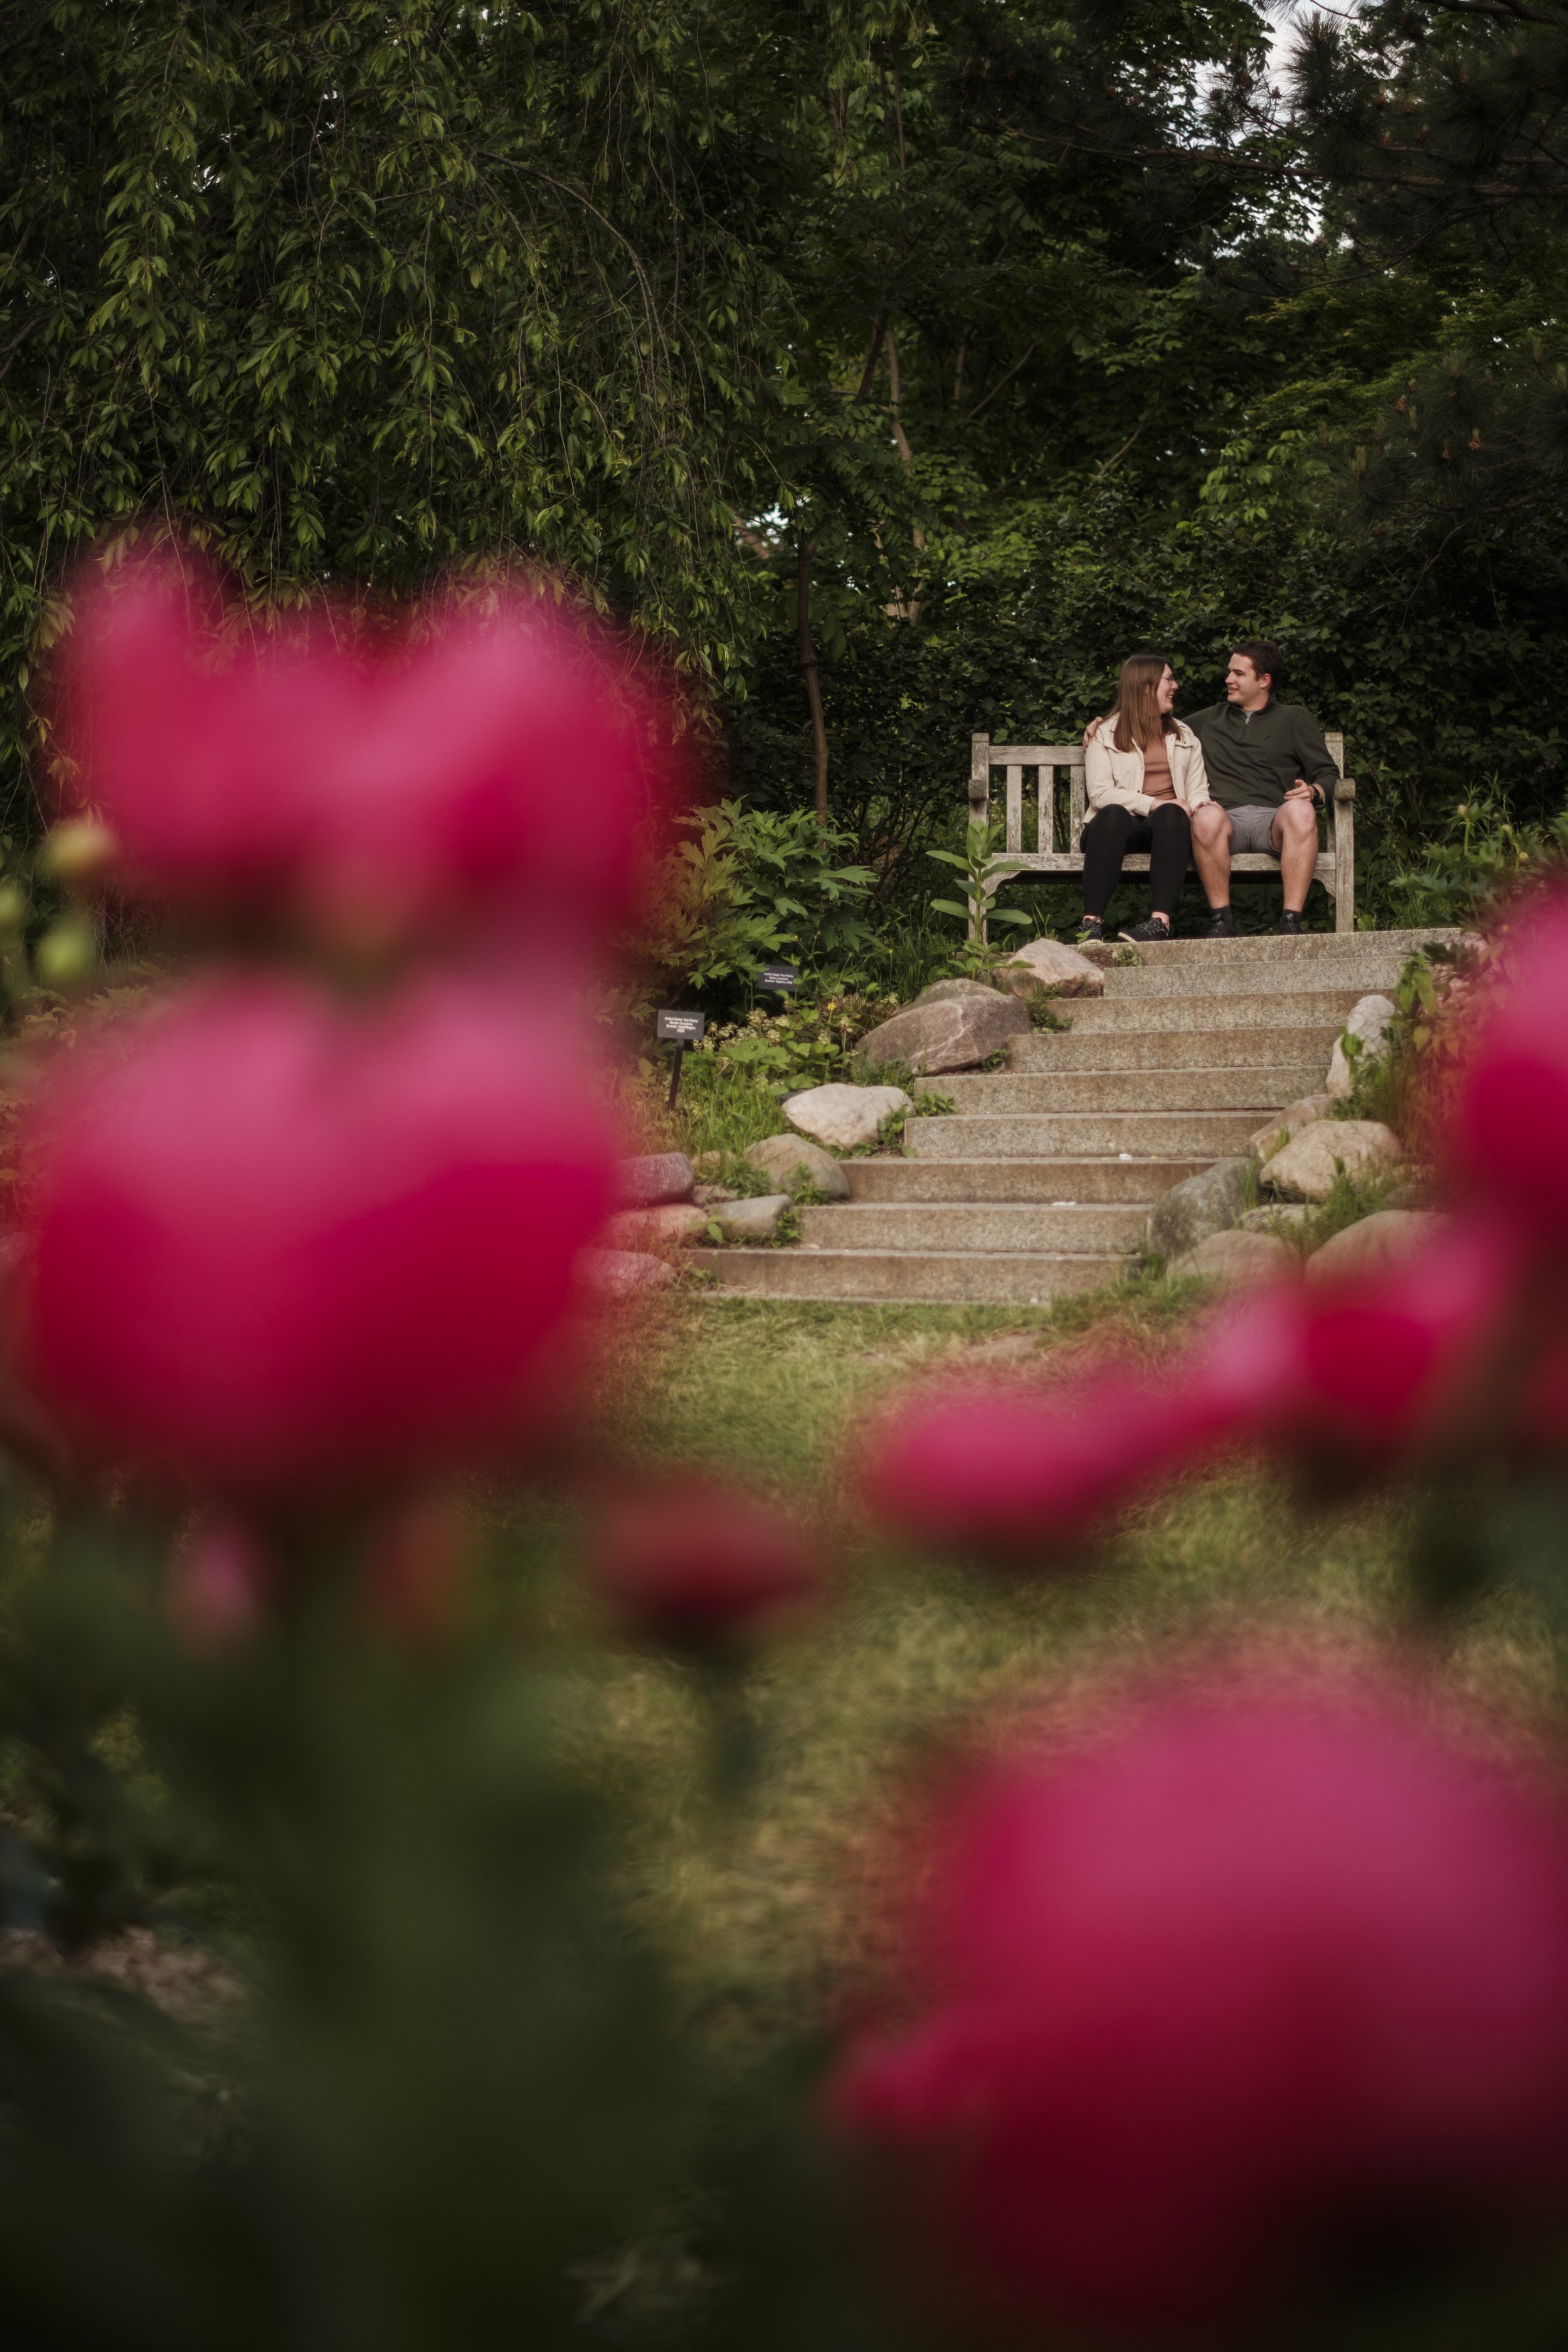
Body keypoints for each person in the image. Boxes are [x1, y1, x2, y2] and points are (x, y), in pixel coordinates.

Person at [1088, 640, 1338, 938]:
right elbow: (1150, 721)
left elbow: (1328, 772)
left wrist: (1314, 791)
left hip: (1274, 820)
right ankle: (1222, 921)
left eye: (1238, 674)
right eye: (1229, 672)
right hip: (1223, 822)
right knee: (1205, 815)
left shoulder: (1295, 719)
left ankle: (1291, 922)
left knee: (1302, 811)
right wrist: (1102, 723)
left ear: (1264, 680)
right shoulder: (1208, 720)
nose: (1228, 680)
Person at [1078, 653, 1210, 946]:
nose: (1175, 686)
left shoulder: (1184, 735)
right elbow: (1100, 793)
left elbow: (1198, 789)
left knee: (1174, 816)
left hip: (1166, 832)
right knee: (1113, 813)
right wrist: (1156, 803)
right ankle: (1091, 924)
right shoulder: (1106, 733)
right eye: (1169, 679)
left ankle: (1159, 922)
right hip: (1113, 832)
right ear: (1146, 686)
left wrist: (1200, 807)